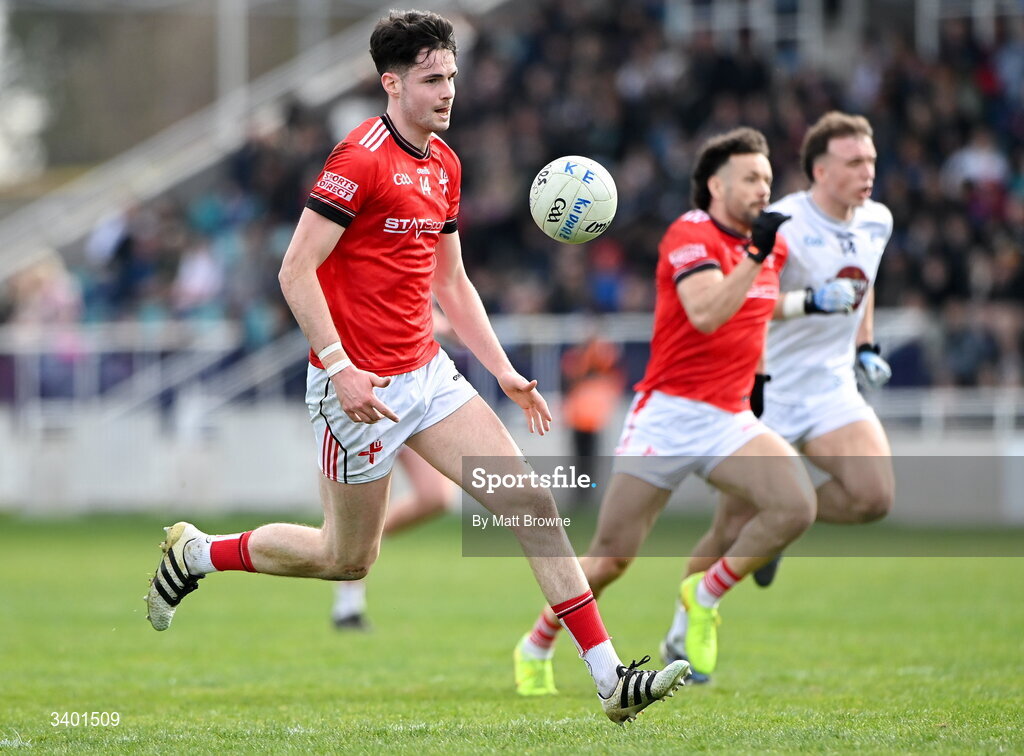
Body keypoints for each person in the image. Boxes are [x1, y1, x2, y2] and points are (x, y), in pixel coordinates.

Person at [144, 10, 687, 724]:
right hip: (356, 391)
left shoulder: (446, 164)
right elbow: (295, 269)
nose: (448, 91)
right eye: (433, 79)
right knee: (346, 558)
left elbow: (452, 283)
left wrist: (502, 370)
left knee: (531, 505)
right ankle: (201, 554)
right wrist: (339, 367)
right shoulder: (358, 159)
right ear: (391, 83)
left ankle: (610, 678)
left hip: (427, 377)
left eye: (453, 77)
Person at [513, 127, 855, 695]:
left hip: (729, 417)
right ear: (716, 185)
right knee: (610, 560)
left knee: (796, 507)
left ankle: (705, 592)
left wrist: (806, 303)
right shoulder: (689, 234)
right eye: (750, 178)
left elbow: (761, 307)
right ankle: (537, 641)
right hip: (667, 416)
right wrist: (755, 255)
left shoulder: (769, 245)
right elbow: (707, 312)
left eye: (767, 179)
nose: (761, 188)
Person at [663, 111, 895, 680]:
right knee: (726, 530)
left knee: (874, 497)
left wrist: (865, 345)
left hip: (831, 385)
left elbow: (862, 285)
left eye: (871, 159)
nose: (868, 171)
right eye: (854, 162)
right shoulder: (781, 222)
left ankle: (783, 524)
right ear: (820, 169)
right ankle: (678, 640)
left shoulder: (877, 221)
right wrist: (813, 302)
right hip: (766, 386)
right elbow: (746, 303)